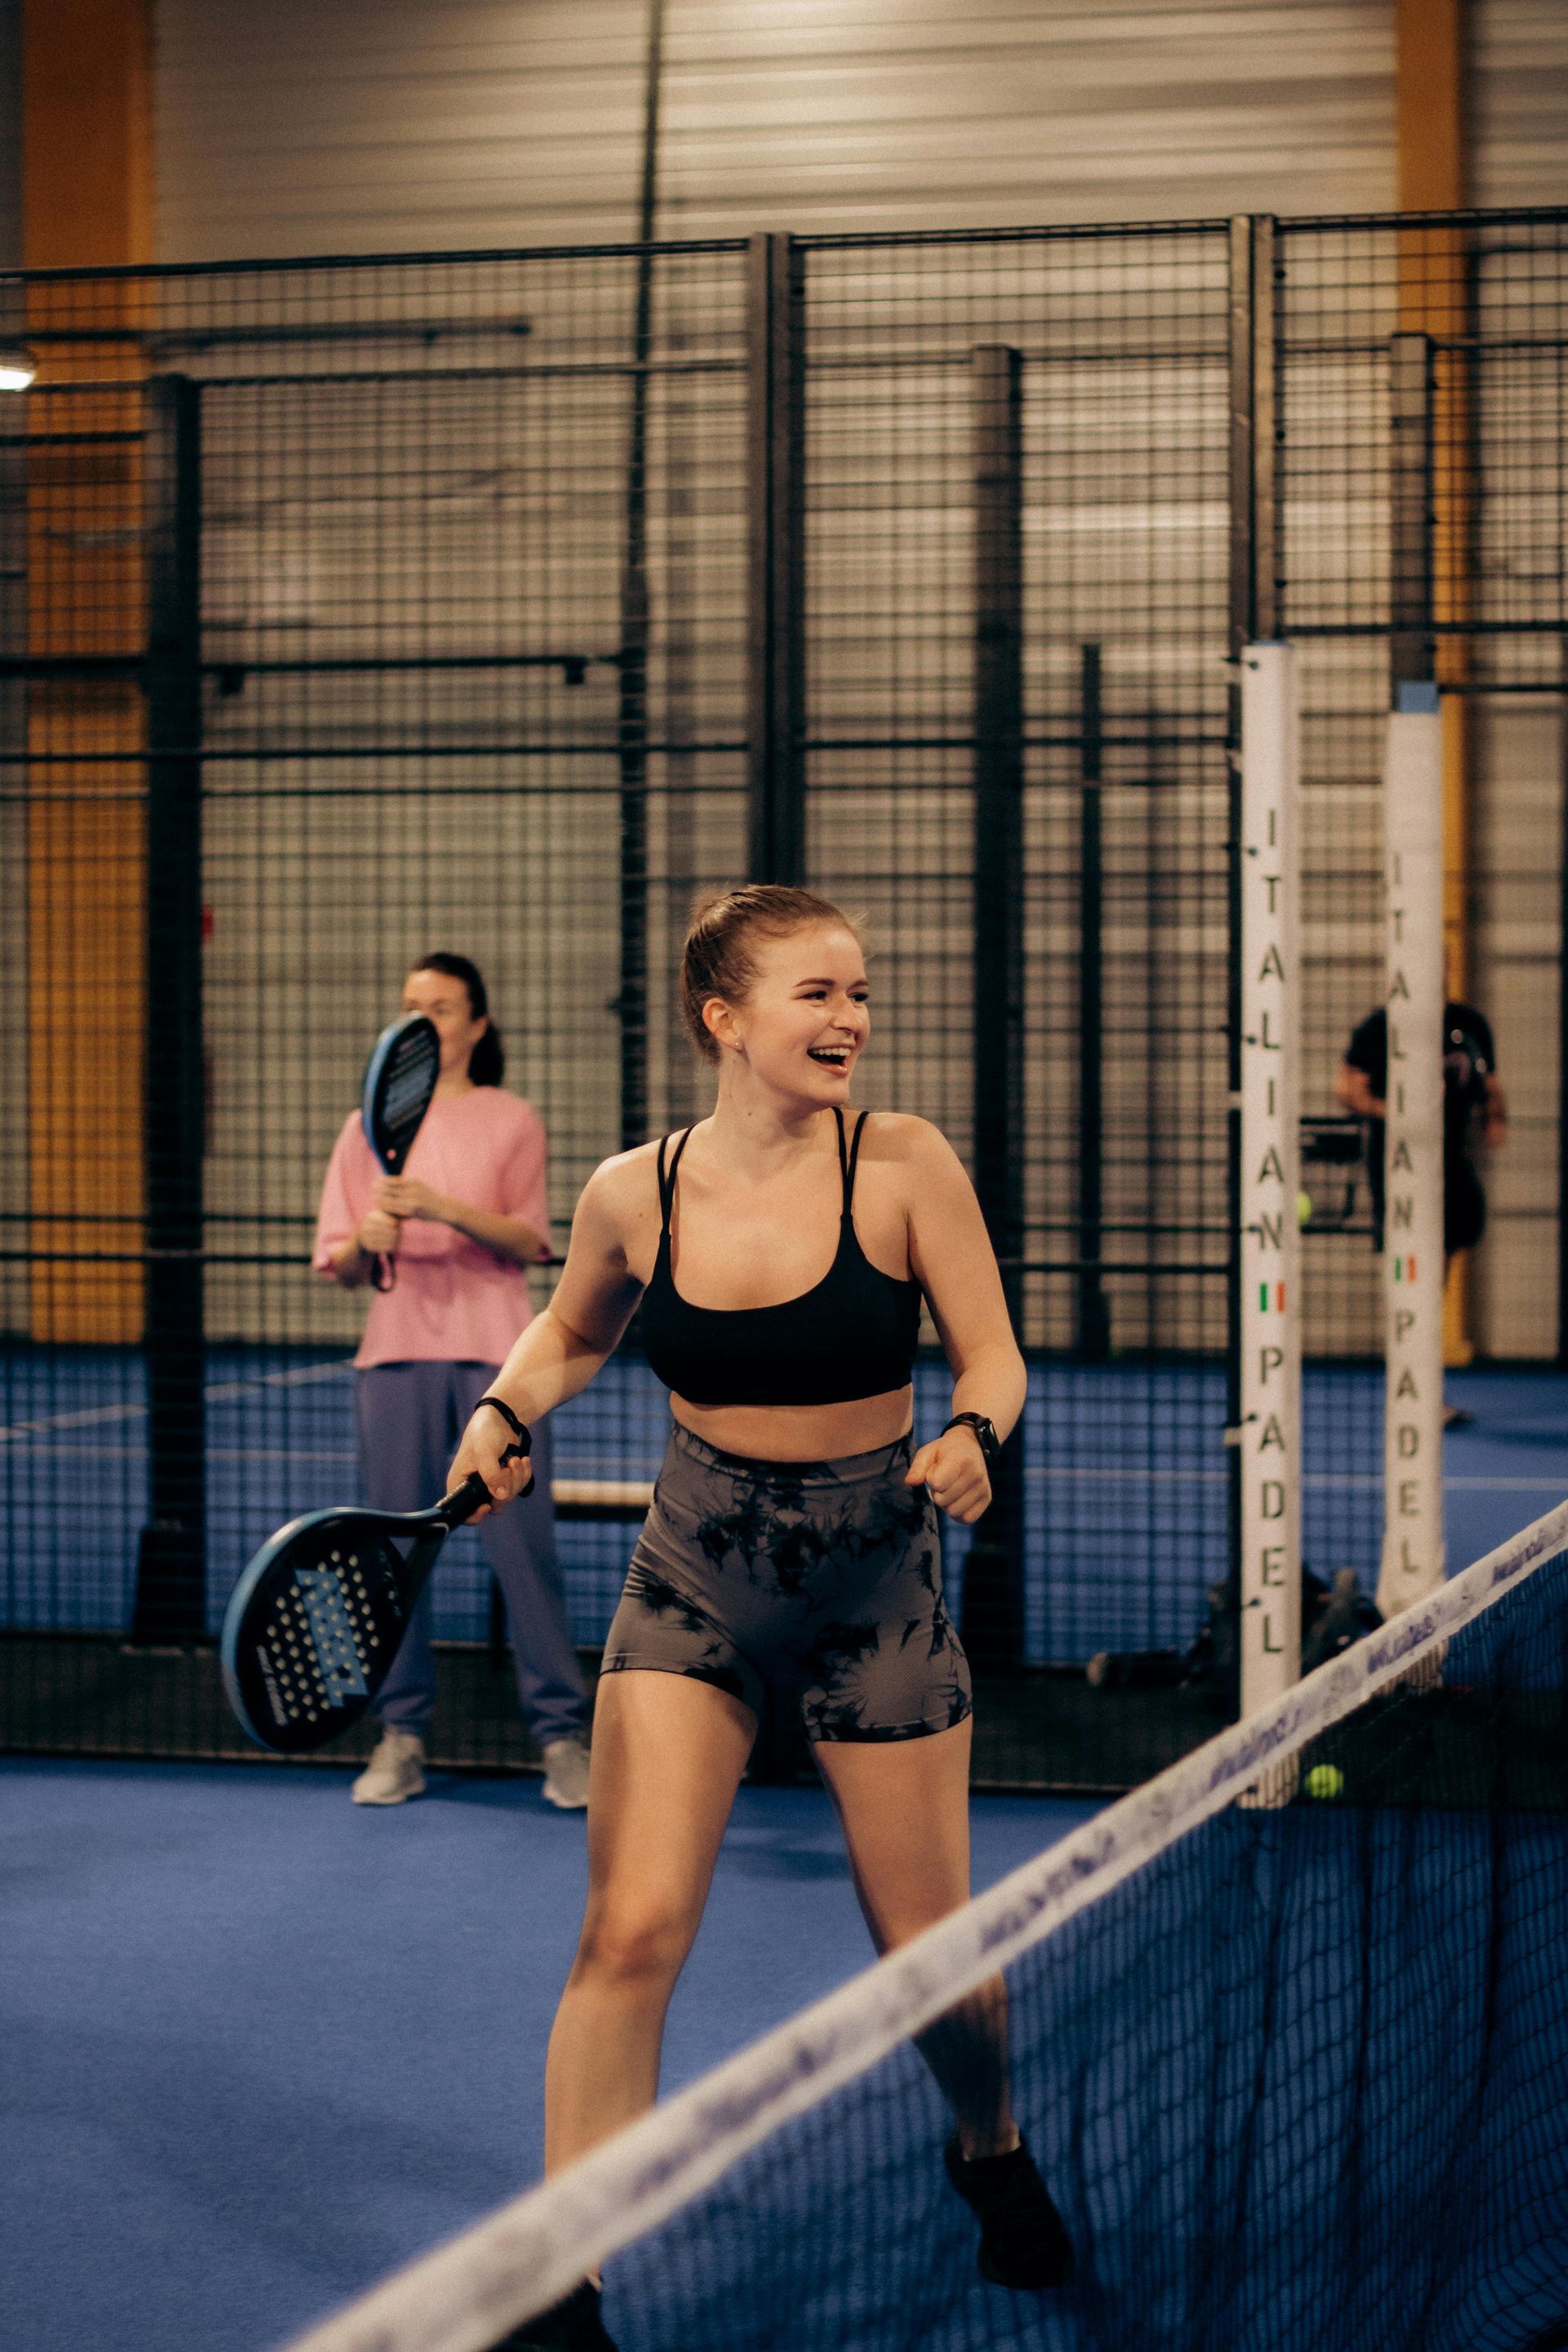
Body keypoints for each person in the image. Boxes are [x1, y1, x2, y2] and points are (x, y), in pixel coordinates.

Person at [441, 886, 1071, 2352]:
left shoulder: (905, 1163)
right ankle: (563, 2283)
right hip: (695, 1576)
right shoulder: (630, 1191)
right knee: (630, 1930)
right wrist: (501, 1405)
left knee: (930, 1956)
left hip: (878, 1590)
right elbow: (573, 1328)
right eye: (816, 994)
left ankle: (988, 2147)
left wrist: (977, 1428)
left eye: (859, 992)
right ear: (723, 1018)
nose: (851, 1018)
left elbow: (994, 1351)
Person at [313, 952, 592, 1810]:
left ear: (476, 1024)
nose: (422, 1018)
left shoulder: (512, 1119)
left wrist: (439, 1208)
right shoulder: (365, 1130)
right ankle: (402, 1738)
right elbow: (346, 1269)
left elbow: (531, 1242)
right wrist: (370, 1237)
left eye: (440, 1005)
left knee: (523, 1549)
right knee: (394, 1554)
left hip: (499, 1363)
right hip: (393, 1359)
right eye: (410, 1005)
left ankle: (562, 1739)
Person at [1335, 973, 1507, 1424]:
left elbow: (1490, 1085)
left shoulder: (1467, 1023)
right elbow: (1347, 1090)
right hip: (1397, 1165)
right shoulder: (1381, 1026)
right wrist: (1395, 1113)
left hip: (1449, 1161)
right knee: (1412, 1274)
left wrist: (1496, 1119)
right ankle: (1412, 1392)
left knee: (1438, 1270)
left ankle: (1423, 1389)